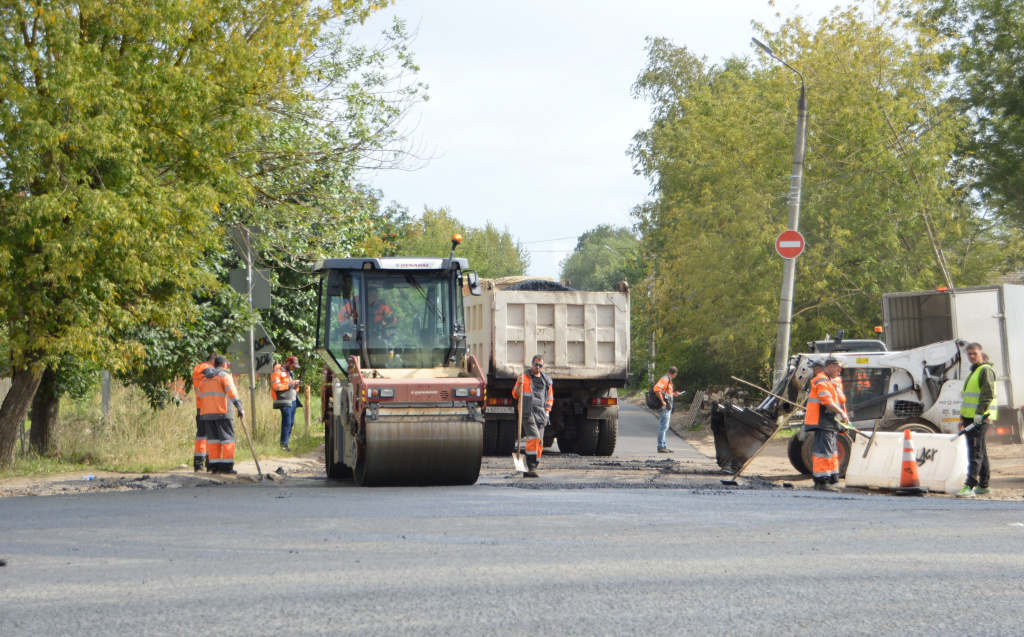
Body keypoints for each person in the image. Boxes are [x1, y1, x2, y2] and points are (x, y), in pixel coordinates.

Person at [956, 342, 997, 498]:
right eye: (969, 354)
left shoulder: (985, 370)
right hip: (970, 417)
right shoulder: (973, 371)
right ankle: (984, 485)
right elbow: (968, 398)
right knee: (981, 451)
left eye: (974, 353)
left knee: (975, 452)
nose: (972, 356)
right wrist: (962, 418)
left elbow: (987, 394)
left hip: (980, 418)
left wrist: (979, 413)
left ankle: (970, 485)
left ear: (981, 353)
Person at [805, 356, 850, 492]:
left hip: (828, 421)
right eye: (838, 369)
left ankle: (831, 480)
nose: (839, 372)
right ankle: (822, 482)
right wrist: (841, 413)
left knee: (831, 452)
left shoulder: (831, 381)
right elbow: (826, 401)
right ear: (831, 366)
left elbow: (837, 400)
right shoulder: (822, 380)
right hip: (821, 421)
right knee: (823, 452)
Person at [196, 356, 244, 474]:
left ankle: (214, 466)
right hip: (222, 412)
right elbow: (232, 392)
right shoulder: (225, 376)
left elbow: (199, 395)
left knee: (213, 441)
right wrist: (240, 407)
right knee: (227, 439)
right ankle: (227, 467)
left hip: (207, 414)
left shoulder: (205, 379)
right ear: (224, 365)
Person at [512, 354, 553, 478]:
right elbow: (515, 394)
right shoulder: (523, 377)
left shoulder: (546, 381)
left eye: (540, 365)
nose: (538, 367)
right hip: (527, 412)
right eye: (536, 364)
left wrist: (547, 412)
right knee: (534, 437)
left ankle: (533, 466)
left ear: (543, 366)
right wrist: (519, 384)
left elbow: (550, 398)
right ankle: (531, 467)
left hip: (541, 413)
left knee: (540, 442)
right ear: (532, 364)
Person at [191, 353, 216, 472]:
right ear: (213, 362)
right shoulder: (208, 371)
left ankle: (198, 464)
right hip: (209, 407)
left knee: (201, 435)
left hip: (200, 406)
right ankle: (210, 464)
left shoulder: (197, 370)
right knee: (211, 435)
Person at [271, 356, 302, 451]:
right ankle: (284, 446)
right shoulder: (277, 372)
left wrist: (296, 385)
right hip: (284, 401)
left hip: (292, 401)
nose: (294, 368)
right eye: (293, 366)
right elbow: (275, 386)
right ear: (288, 363)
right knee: (287, 423)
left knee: (291, 423)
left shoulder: (290, 372)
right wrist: (290, 384)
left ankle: (285, 444)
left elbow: (293, 388)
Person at [653, 366, 683, 453]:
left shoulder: (667, 380)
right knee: (663, 427)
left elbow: (665, 393)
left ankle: (663, 446)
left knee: (664, 427)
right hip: (664, 407)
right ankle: (660, 446)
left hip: (666, 406)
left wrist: (673, 394)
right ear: (674, 374)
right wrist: (662, 401)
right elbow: (656, 389)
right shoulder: (665, 380)